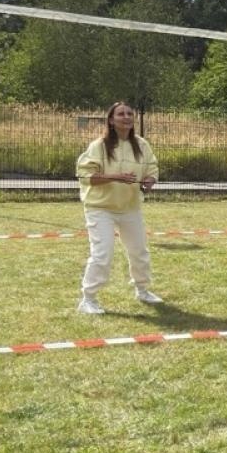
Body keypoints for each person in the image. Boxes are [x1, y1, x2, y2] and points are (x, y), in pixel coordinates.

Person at [75, 101, 162, 313]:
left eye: (129, 114)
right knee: (102, 254)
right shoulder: (99, 146)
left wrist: (150, 180)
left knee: (139, 250)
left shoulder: (142, 145)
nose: (127, 117)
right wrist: (115, 177)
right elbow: (85, 176)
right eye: (121, 114)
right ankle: (88, 298)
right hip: (100, 208)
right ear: (111, 121)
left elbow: (152, 167)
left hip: (130, 208)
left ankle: (142, 290)